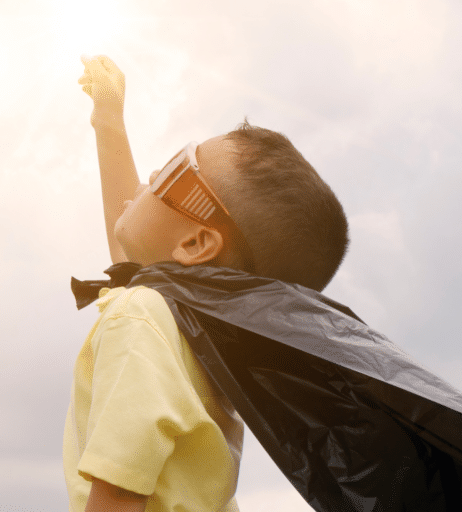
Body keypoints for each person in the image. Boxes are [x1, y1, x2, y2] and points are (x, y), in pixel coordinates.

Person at [64, 55, 350, 512]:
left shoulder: (142, 316)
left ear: (197, 243)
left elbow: (119, 490)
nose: (154, 174)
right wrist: (108, 120)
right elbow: (129, 237)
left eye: (178, 170)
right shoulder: (195, 324)